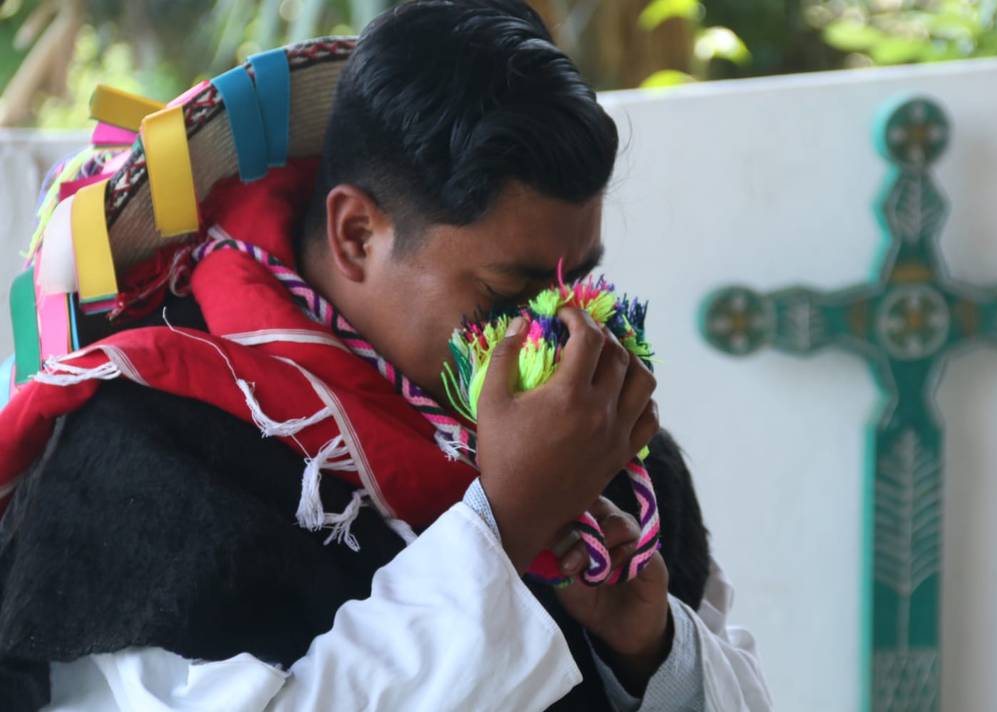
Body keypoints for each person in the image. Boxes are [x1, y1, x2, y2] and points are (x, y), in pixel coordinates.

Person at [0, 1, 772, 709]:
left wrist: (649, 649)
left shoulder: (599, 448)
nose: (564, 328)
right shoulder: (146, 447)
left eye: (584, 280)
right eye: (514, 291)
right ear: (357, 235)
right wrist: (503, 527)